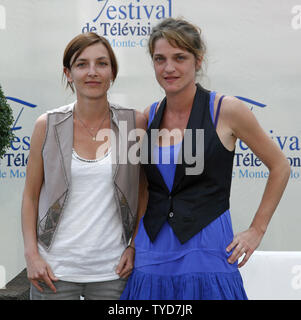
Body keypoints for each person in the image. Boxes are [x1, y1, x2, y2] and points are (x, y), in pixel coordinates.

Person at [120, 17, 290, 300]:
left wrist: (257, 229)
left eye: (180, 58)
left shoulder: (227, 110)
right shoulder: (145, 116)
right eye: (160, 59)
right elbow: (144, 190)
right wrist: (133, 244)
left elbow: (280, 166)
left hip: (208, 250)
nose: (169, 68)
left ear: (198, 61)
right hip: (151, 254)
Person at [21, 32, 146, 300]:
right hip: (53, 271)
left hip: (114, 272)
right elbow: (31, 196)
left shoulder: (134, 123)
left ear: (112, 71)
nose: (92, 72)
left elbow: (144, 193)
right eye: (81, 64)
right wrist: (32, 255)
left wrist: (135, 246)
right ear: (68, 73)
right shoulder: (47, 125)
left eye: (102, 63)